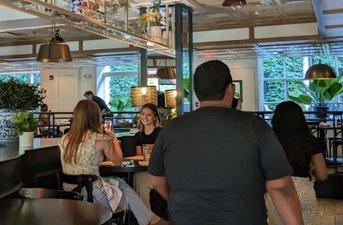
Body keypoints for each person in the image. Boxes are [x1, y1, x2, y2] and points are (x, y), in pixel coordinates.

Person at [149, 60, 303, 225]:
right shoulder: (255, 126)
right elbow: (279, 187)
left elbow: (156, 180)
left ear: (196, 92)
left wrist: (181, 200)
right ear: (230, 89)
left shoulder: (171, 129)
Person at [59, 99, 168, 225]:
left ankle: (149, 220)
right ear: (95, 116)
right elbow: (118, 161)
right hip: (91, 193)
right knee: (126, 194)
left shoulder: (64, 139)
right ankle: (149, 220)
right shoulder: (99, 138)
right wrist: (113, 137)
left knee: (120, 183)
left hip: (68, 194)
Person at [267, 101, 328, 225]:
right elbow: (322, 175)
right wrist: (312, 169)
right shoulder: (310, 141)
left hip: (277, 191)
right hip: (303, 191)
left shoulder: (269, 140)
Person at [133, 103, 162, 207]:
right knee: (136, 177)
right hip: (144, 169)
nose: (145, 117)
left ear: (154, 117)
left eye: (149, 115)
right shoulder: (138, 135)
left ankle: (146, 218)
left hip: (158, 170)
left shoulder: (160, 132)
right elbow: (140, 156)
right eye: (143, 114)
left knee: (139, 181)